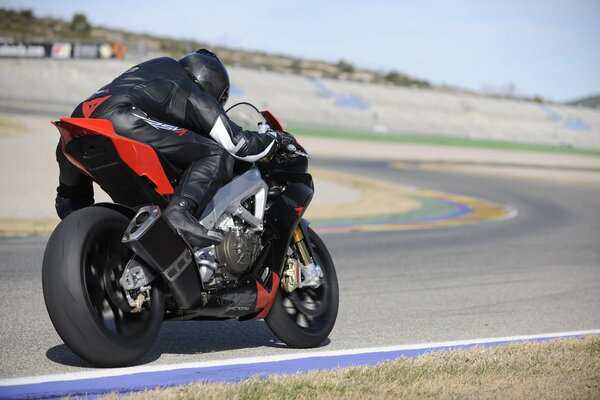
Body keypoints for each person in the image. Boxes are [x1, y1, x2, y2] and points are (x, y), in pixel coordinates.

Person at [55, 49, 293, 247]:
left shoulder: (154, 74)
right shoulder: (189, 87)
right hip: (122, 120)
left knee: (73, 203)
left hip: (77, 126)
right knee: (214, 153)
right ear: (211, 85)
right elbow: (236, 142)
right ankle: (180, 212)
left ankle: (72, 209)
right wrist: (277, 139)